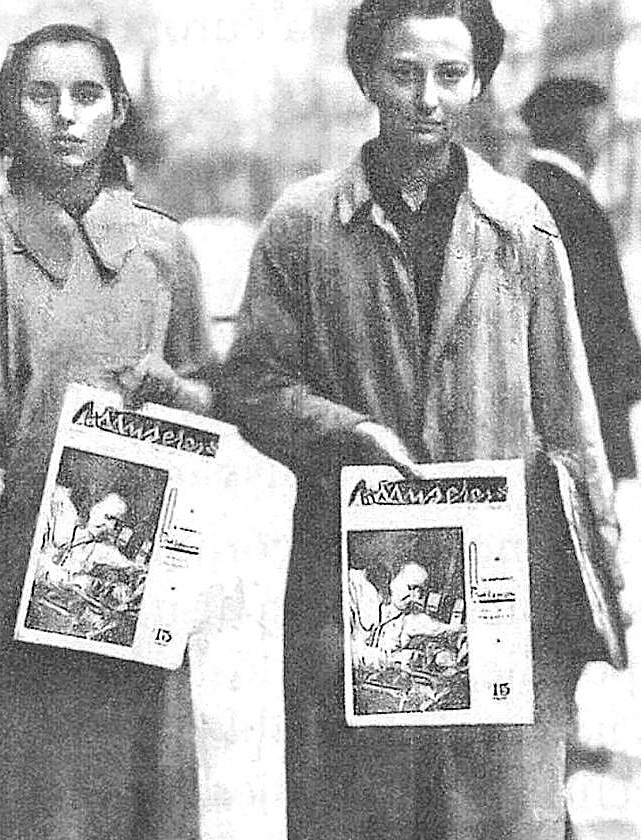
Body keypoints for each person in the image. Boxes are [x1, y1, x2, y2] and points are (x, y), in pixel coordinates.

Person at [215, 1, 624, 837]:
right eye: (404, 73)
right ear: (367, 77)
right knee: (363, 812)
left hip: (500, 578)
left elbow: (572, 417)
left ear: (478, 83)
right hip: (353, 577)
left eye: (450, 74)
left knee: (495, 811)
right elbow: (251, 381)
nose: (427, 98)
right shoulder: (303, 225)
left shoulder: (521, 226)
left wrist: (602, 587)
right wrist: (345, 431)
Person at [0, 22, 211, 840]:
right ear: (8, 114)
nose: (65, 116)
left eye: (86, 95)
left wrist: (171, 387)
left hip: (130, 574)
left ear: (118, 111)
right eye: (42, 95)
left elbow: (213, 394)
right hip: (5, 569)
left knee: (136, 803)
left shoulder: (163, 248)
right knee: (20, 806)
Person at [521, 77, 641, 481]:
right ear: (582, 129)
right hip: (587, 408)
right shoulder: (567, 201)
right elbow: (594, 320)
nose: (603, 141)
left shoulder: (536, 190)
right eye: (599, 127)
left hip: (571, 404)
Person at [347, 560, 458, 668]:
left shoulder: (403, 615)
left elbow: (437, 630)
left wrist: (438, 654)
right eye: (410, 588)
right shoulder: (355, 588)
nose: (415, 597)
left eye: (420, 591)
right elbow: (347, 652)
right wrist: (394, 660)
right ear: (394, 576)